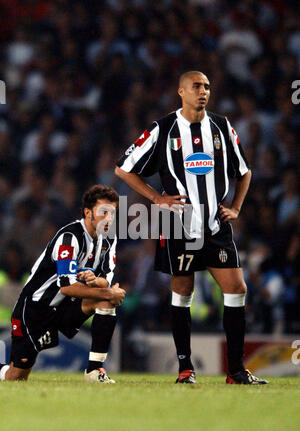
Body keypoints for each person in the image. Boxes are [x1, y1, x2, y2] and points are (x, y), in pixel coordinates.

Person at [115, 70, 268, 385]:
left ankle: (236, 370)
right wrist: (157, 198)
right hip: (178, 224)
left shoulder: (222, 127)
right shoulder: (163, 129)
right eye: (197, 86)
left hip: (215, 224)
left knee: (237, 289)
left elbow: (245, 171)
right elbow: (124, 168)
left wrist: (236, 208)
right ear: (181, 91)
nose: (204, 91)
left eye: (208, 87)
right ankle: (185, 368)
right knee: (183, 291)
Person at [0, 184, 126, 382]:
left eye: (112, 213)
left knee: (106, 302)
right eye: (103, 212)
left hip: (64, 307)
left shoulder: (109, 240)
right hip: (35, 309)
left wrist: (97, 282)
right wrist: (109, 292)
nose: (108, 218)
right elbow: (66, 286)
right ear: (88, 212)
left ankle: (94, 371)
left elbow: (105, 279)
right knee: (16, 376)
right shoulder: (69, 237)